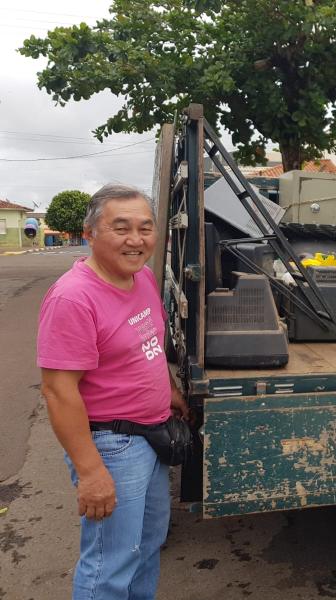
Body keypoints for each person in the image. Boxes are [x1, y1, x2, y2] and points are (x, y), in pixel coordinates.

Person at [37, 184, 188, 599]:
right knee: (110, 564)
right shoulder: (73, 298)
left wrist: (170, 390)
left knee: (146, 547)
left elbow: (148, 345)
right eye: (120, 228)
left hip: (152, 434)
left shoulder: (139, 279)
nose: (135, 240)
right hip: (113, 444)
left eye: (145, 228)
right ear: (89, 233)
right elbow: (57, 390)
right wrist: (90, 472)